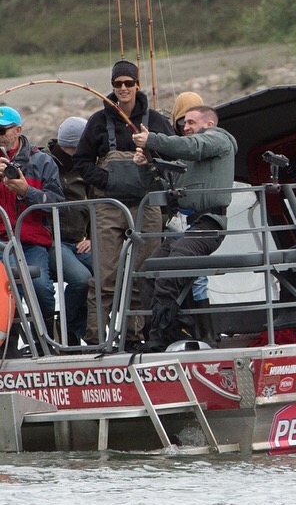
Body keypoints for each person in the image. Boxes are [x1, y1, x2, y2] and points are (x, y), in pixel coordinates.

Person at [73, 59, 173, 346]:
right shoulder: (97, 121)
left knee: (143, 275)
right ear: (113, 87)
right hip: (108, 206)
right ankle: (96, 339)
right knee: (104, 278)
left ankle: (135, 337)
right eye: (118, 84)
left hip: (147, 205)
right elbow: (81, 161)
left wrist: (151, 157)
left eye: (129, 83)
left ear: (137, 85)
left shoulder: (156, 121)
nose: (124, 88)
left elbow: (174, 157)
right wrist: (106, 181)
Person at [133, 104, 237, 351]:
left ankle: (164, 335)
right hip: (182, 227)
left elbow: (194, 146)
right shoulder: (188, 157)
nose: (185, 127)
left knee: (171, 269)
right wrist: (146, 166)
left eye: (191, 122)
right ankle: (164, 333)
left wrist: (152, 139)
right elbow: (161, 188)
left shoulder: (218, 139)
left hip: (208, 224)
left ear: (209, 124)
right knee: (148, 273)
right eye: (184, 123)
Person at [0, 106, 65, 334]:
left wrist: (26, 191)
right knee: (6, 288)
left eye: (2, 131)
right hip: (1, 240)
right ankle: (9, 343)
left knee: (40, 287)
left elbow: (57, 204)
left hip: (31, 240)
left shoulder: (42, 162)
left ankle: (44, 336)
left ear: (18, 130)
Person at [46, 116, 94, 344]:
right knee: (82, 279)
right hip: (52, 241)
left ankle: (93, 329)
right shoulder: (45, 163)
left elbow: (96, 205)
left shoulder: (86, 166)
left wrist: (92, 237)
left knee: (107, 275)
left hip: (78, 240)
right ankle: (68, 329)